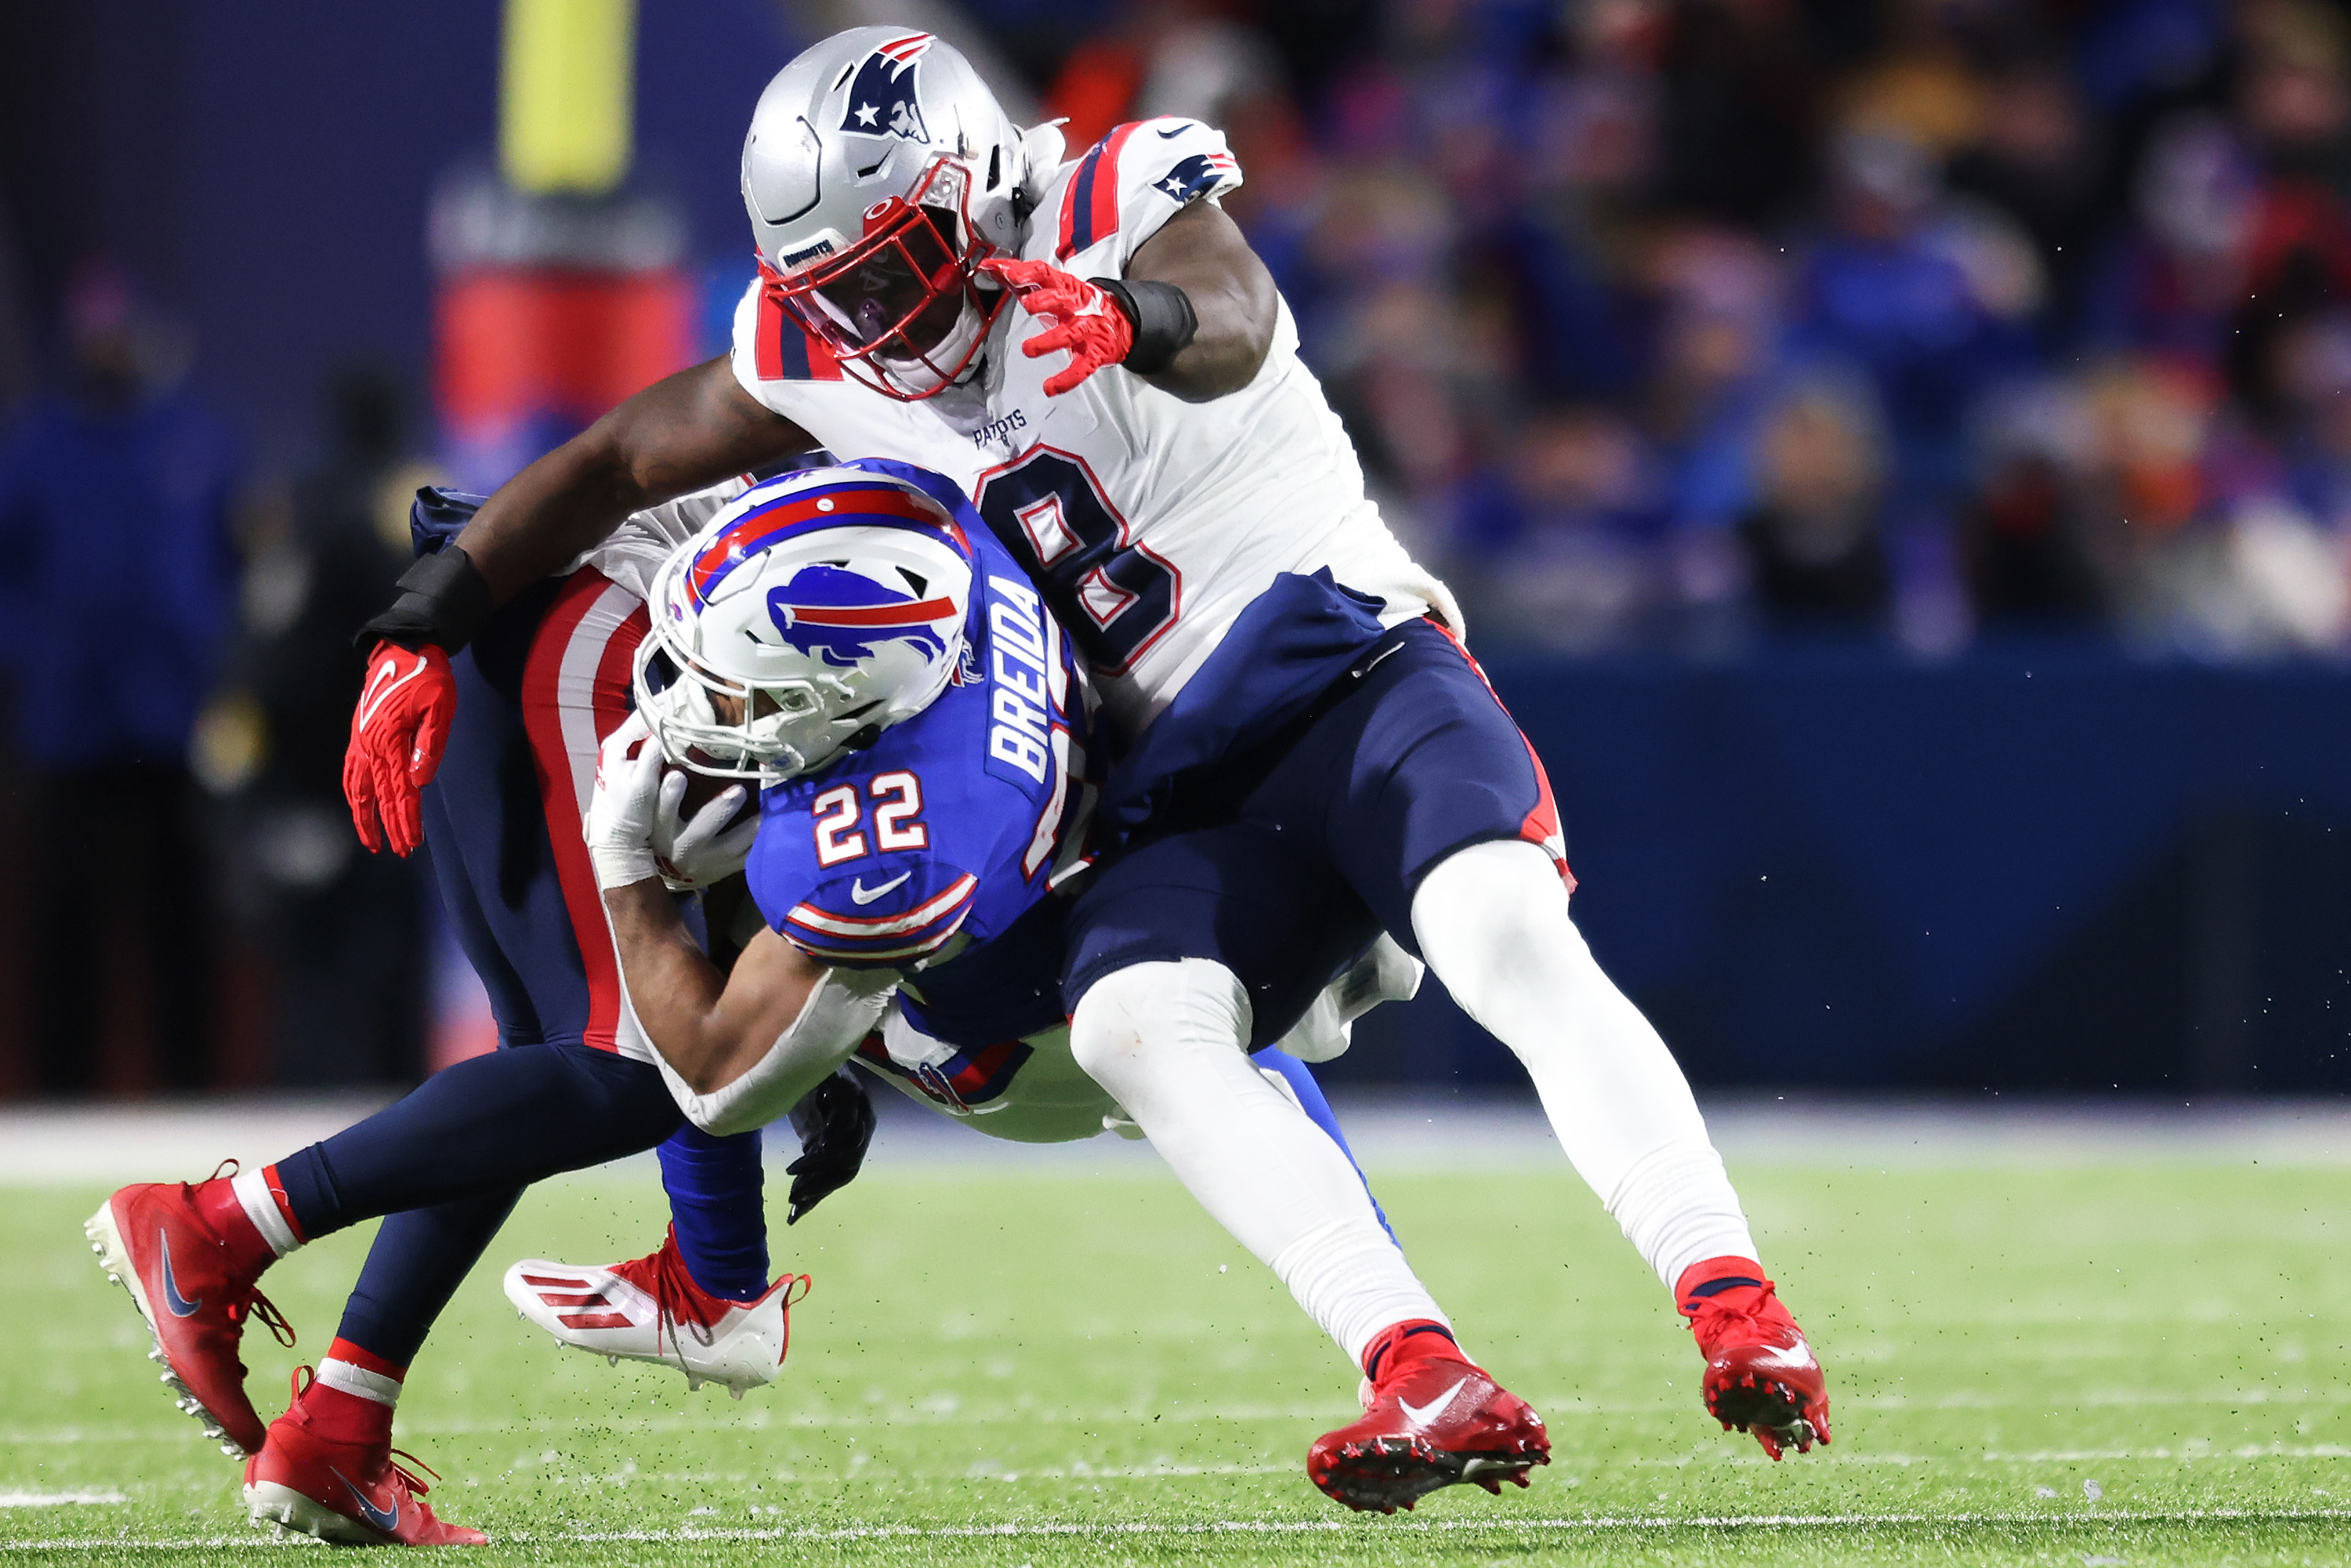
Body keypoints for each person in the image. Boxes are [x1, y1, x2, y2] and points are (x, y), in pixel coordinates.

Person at [341, 27, 1829, 1514]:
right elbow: (614, 459)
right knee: (1134, 1026)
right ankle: (1419, 1369)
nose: (870, 315)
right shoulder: (818, 347)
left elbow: (1234, 311)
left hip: (1348, 670)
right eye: (834, 287)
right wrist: (423, 623)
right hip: (1170, 794)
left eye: (895, 261)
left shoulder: (1110, 193)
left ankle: (1732, 1296)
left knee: (1502, 930)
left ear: (976, 184)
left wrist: (1132, 318)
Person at [505, 461, 1404, 1384]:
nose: (705, 703)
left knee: (684, 893)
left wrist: (620, 867)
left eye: (743, 690)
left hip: (1005, 1053)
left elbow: (718, 1079)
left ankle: (713, 1295)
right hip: (1097, 870)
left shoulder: (897, 840)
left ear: (851, 697)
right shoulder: (934, 539)